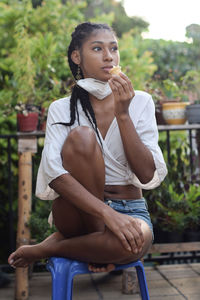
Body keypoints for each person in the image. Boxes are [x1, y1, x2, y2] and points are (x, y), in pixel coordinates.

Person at [8, 22, 167, 272]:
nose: (108, 56)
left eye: (113, 49)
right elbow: (53, 173)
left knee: (134, 244)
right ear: (76, 56)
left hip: (130, 209)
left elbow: (147, 174)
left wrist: (123, 115)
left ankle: (50, 247)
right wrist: (108, 215)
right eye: (97, 48)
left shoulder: (140, 101)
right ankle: (95, 243)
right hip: (77, 213)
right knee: (81, 136)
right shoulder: (61, 108)